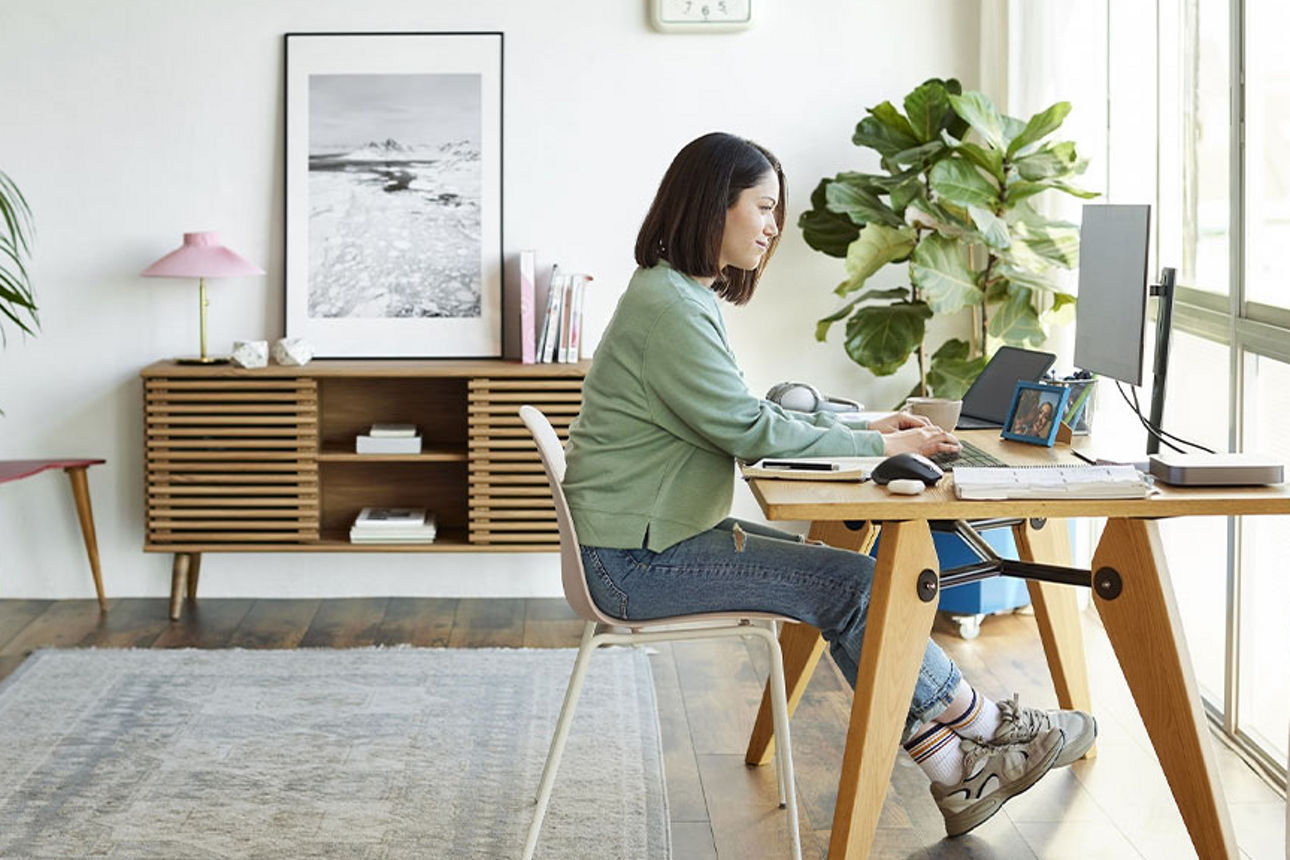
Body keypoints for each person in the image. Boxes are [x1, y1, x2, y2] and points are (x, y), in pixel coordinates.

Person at [561, 132, 1096, 838]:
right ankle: (990, 723)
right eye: (763, 207)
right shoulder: (669, 306)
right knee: (857, 587)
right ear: (713, 204)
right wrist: (881, 444)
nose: (773, 226)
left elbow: (742, 413)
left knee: (852, 588)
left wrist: (873, 427)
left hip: (648, 541)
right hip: (634, 563)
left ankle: (957, 775)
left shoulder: (673, 295)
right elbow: (751, 430)